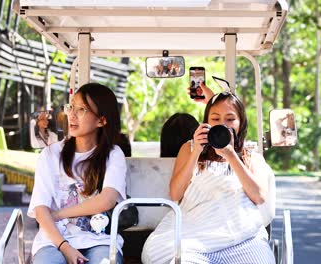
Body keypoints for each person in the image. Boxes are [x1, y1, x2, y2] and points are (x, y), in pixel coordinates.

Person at [142, 92, 275, 263]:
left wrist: (232, 155)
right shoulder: (189, 149)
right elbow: (175, 194)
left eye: (230, 119)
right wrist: (197, 150)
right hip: (195, 238)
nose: (222, 125)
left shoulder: (251, 156)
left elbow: (259, 196)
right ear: (206, 123)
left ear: (240, 123)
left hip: (243, 239)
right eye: (215, 119)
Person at [28, 83, 127, 264]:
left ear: (101, 120)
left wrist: (58, 214)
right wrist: (65, 247)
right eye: (71, 107)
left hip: (99, 240)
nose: (71, 115)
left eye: (81, 110)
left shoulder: (113, 155)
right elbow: (41, 208)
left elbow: (106, 200)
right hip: (53, 240)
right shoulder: (50, 155)